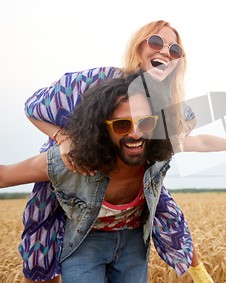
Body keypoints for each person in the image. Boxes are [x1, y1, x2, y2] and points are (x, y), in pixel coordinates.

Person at [21, 20, 226, 283]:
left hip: (133, 180)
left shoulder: (165, 100)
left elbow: (188, 121)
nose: (165, 52)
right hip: (76, 174)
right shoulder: (99, 79)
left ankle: (200, 275)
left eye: (175, 50)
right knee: (43, 235)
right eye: (157, 42)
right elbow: (33, 105)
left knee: (169, 215)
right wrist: (62, 137)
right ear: (139, 46)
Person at [2, 72, 188, 283]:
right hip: (84, 244)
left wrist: (199, 271)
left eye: (145, 122)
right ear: (101, 127)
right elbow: (4, 176)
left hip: (133, 244)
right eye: (121, 124)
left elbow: (172, 214)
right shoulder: (70, 161)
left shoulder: (154, 159)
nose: (136, 134)